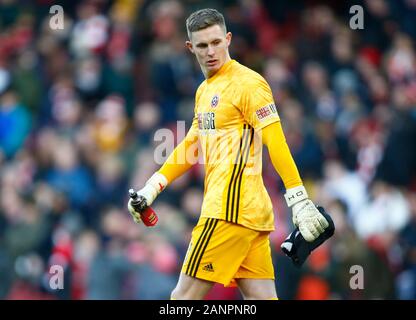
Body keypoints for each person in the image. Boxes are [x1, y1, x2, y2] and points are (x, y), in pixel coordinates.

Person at [128, 8, 329, 300]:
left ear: (228, 39)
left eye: (216, 42)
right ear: (190, 47)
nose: (211, 51)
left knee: (181, 300)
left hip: (228, 213)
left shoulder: (248, 83)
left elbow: (276, 141)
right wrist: (152, 187)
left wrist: (298, 198)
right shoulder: (204, 90)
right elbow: (192, 145)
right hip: (249, 217)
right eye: (202, 45)